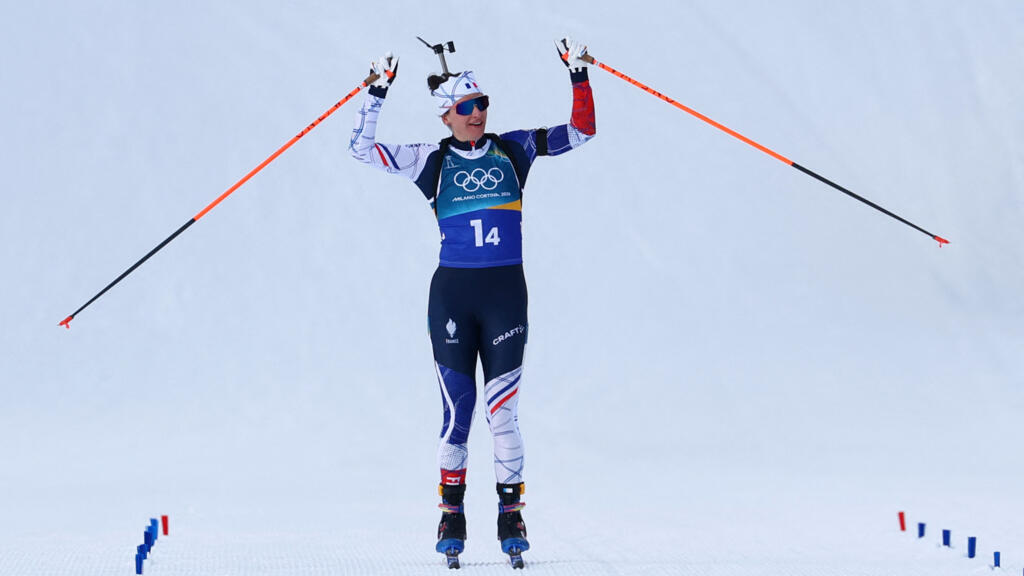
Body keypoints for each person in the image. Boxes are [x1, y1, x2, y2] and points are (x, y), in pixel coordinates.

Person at [349, 38, 595, 565]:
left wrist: (578, 75)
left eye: (483, 103)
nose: (478, 113)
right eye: (466, 107)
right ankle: (452, 513)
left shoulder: (514, 149)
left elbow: (580, 131)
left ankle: (511, 514)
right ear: (446, 115)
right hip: (454, 299)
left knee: (502, 414)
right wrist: (376, 92)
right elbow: (361, 149)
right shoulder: (429, 161)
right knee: (458, 413)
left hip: (506, 295)